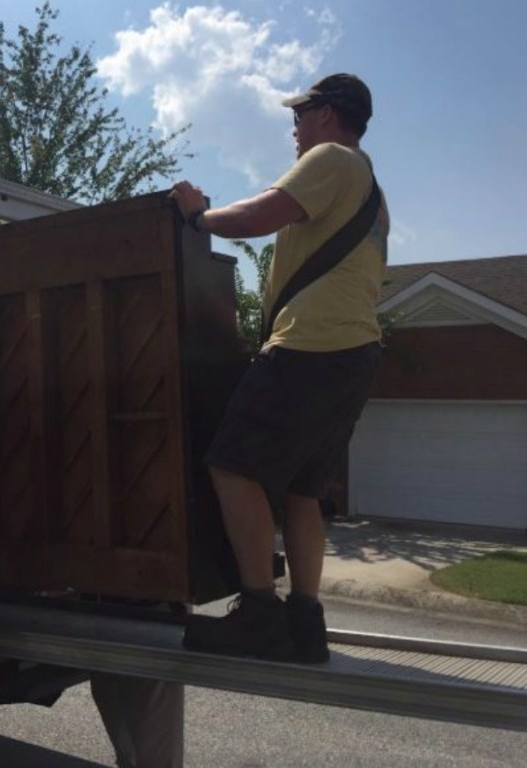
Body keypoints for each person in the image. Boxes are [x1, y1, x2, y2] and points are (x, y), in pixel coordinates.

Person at [169, 73, 388, 663]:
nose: (294, 127)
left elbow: (259, 215)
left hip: (309, 347)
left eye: (300, 114)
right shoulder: (370, 189)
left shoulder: (333, 159)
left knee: (231, 465)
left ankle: (259, 614)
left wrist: (197, 217)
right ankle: (305, 621)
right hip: (353, 353)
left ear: (327, 114)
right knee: (301, 490)